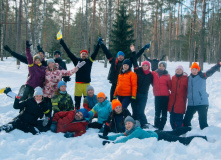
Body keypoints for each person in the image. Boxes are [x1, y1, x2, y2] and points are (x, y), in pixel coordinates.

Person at [99, 116, 207, 145]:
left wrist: (113, 143)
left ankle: (203, 138)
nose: (127, 126)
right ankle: (188, 128)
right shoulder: (132, 129)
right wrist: (107, 137)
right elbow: (120, 134)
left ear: (133, 123)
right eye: (126, 124)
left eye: (129, 123)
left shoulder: (136, 131)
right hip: (156, 133)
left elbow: (126, 139)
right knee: (174, 132)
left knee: (182, 141)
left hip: (160, 136)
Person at [60, 38, 100, 110]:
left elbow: (95, 53)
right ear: (80, 55)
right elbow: (69, 53)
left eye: (85, 54)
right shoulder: (76, 61)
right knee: (77, 100)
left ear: (87, 55)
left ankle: (87, 112)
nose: (84, 55)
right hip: (78, 84)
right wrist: (63, 43)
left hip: (87, 85)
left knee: (87, 100)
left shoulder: (89, 61)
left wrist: (98, 45)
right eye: (82, 54)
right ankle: (77, 111)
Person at [183, 62, 221, 130]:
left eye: (196, 69)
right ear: (191, 70)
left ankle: (205, 136)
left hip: (202, 103)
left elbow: (211, 70)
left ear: (198, 70)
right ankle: (188, 132)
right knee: (186, 121)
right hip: (192, 103)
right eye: (193, 69)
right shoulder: (188, 78)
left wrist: (218, 65)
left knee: (203, 123)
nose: (194, 71)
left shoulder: (202, 76)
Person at [130, 44, 153, 128]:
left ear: (149, 66)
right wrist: (133, 51)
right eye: (143, 65)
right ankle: (134, 123)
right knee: (134, 110)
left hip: (143, 95)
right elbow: (134, 60)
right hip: (135, 94)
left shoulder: (151, 75)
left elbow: (155, 84)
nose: (145, 66)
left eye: (146, 65)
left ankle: (144, 123)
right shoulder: (138, 70)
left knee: (141, 111)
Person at [152, 61, 172, 130]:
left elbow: (170, 87)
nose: (161, 67)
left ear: (165, 67)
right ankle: (156, 124)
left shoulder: (167, 75)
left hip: (165, 96)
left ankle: (161, 126)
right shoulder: (154, 73)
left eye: (163, 66)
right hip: (157, 96)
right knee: (157, 110)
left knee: (164, 111)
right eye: (160, 66)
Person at [168, 65, 188, 130]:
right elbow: (170, 87)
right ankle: (174, 130)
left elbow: (189, 89)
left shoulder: (186, 79)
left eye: (180, 70)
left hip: (181, 102)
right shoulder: (173, 78)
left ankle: (179, 131)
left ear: (182, 71)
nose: (178, 71)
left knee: (179, 119)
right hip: (172, 101)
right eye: (177, 70)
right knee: (172, 119)